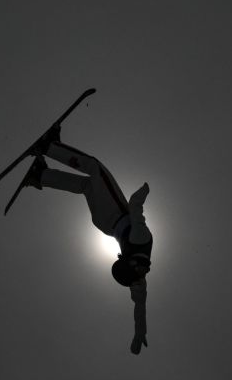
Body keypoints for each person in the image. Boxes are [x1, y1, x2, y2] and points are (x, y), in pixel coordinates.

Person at [21, 126, 153, 354]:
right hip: (104, 224)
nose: (143, 274)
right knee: (86, 186)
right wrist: (139, 333)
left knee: (95, 169)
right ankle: (40, 176)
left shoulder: (141, 241)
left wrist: (144, 192)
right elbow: (140, 305)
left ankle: (49, 147)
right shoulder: (137, 278)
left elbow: (134, 205)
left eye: (138, 272)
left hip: (113, 212)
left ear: (132, 264)